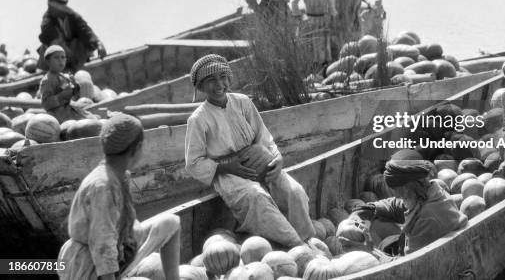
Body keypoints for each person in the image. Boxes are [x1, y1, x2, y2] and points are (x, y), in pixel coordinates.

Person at [185, 54, 315, 247]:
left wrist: (277, 159)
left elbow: (264, 137)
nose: (220, 84)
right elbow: (193, 163)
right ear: (201, 87)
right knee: (257, 198)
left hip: (260, 160)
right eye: (211, 80)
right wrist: (227, 167)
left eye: (223, 77)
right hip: (228, 173)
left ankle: (307, 237)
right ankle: (296, 245)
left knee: (294, 191)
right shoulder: (198, 119)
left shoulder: (243, 102)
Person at [58, 114, 181, 280]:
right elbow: (102, 245)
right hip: (86, 267)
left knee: (170, 223)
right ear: (136, 149)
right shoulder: (103, 187)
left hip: (119, 249)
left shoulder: (120, 176)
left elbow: (123, 225)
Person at [353, 157, 467, 255]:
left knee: (380, 241)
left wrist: (372, 253)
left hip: (430, 265)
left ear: (410, 187)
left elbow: (409, 266)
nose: (397, 195)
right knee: (377, 225)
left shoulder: (428, 217)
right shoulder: (429, 192)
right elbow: (395, 205)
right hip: (422, 248)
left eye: (398, 190)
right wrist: (367, 209)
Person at [37, 0, 107, 73]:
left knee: (79, 43)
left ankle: (79, 69)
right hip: (58, 53)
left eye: (53, 8)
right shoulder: (47, 20)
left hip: (74, 52)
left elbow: (86, 30)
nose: (50, 10)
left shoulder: (73, 16)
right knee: (47, 47)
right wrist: (68, 55)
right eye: (50, 7)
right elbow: (53, 38)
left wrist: (98, 44)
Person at [291, 0, 337, 67]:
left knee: (324, 46)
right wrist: (298, 15)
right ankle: (311, 68)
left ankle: (324, 68)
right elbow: (294, 0)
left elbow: (330, 2)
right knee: (311, 45)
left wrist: (333, 15)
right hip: (310, 19)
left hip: (323, 20)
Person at [38, 45, 94, 124]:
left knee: (92, 118)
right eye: (56, 58)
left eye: (63, 57)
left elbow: (74, 94)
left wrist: (75, 86)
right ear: (48, 61)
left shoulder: (64, 76)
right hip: (58, 114)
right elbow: (46, 104)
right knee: (84, 124)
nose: (61, 61)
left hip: (70, 108)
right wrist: (61, 96)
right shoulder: (47, 80)